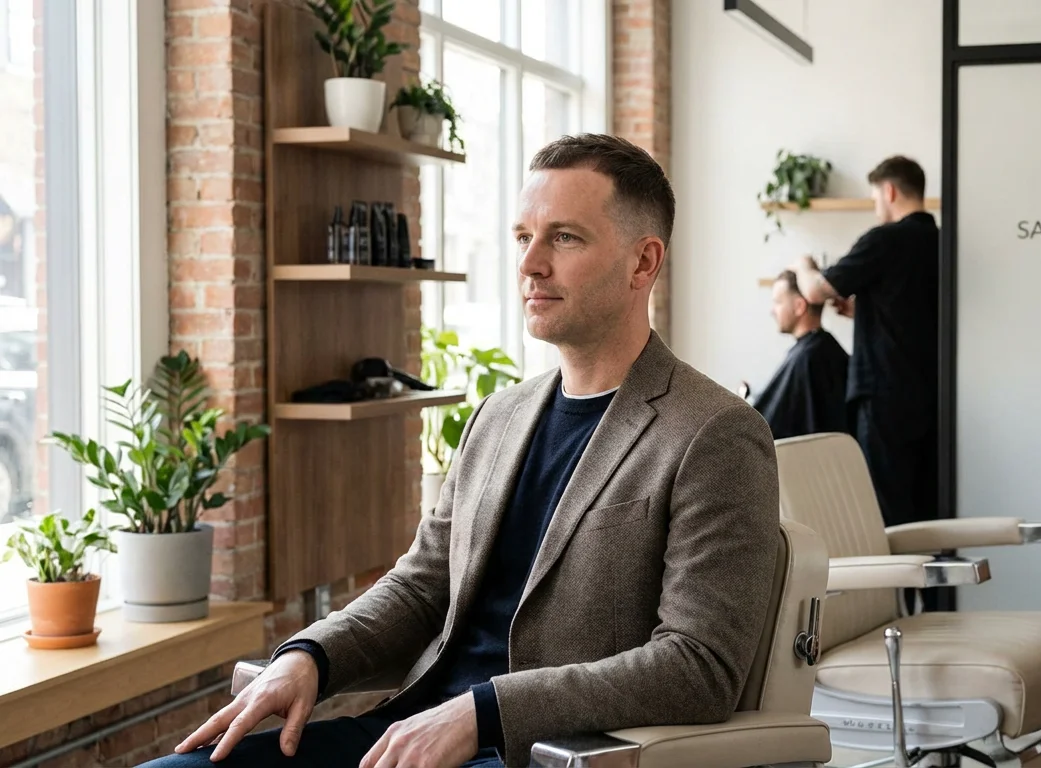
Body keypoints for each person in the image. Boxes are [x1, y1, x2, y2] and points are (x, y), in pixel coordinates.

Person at [144, 135, 780, 768]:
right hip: (405, 731)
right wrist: (311, 655)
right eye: (522, 237)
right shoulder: (497, 417)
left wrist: (484, 713)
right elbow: (422, 587)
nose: (530, 264)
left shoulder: (715, 433)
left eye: (564, 238)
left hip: (539, 752)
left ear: (643, 263)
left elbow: (698, 666)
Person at [791, 155, 939, 530]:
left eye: (876, 198)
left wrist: (804, 264)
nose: (877, 207)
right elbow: (915, 312)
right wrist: (864, 313)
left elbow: (814, 290)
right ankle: (936, 591)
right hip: (933, 399)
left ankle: (890, 590)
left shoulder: (885, 240)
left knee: (886, 516)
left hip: (885, 398)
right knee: (928, 515)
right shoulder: (940, 243)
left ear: (889, 191)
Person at [748, 269, 849, 440]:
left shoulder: (807, 357)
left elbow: (767, 424)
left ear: (799, 306)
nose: (772, 311)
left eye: (778, 302)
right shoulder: (823, 348)